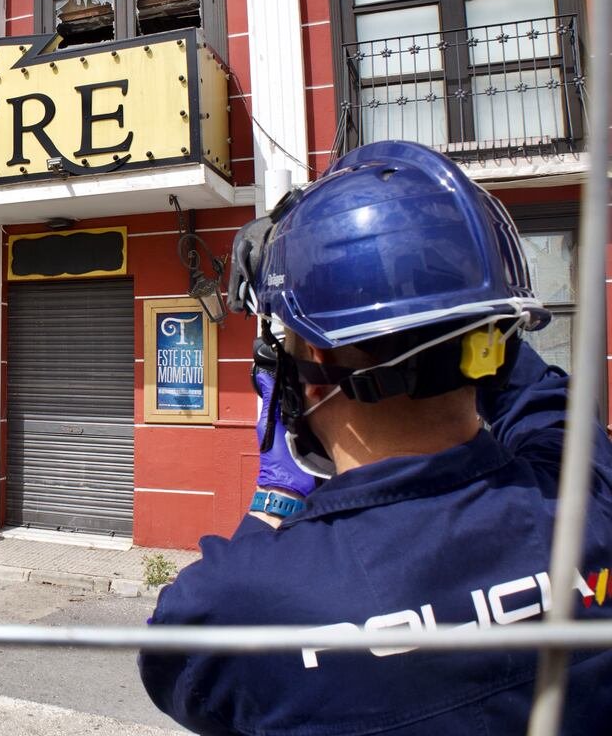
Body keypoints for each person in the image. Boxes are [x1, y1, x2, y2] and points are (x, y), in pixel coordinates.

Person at [139, 140, 612, 734]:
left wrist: (274, 498)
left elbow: (174, 665)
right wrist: (455, 279)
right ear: (491, 342)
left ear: (311, 366)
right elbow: (543, 398)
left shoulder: (238, 604)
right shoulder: (586, 501)